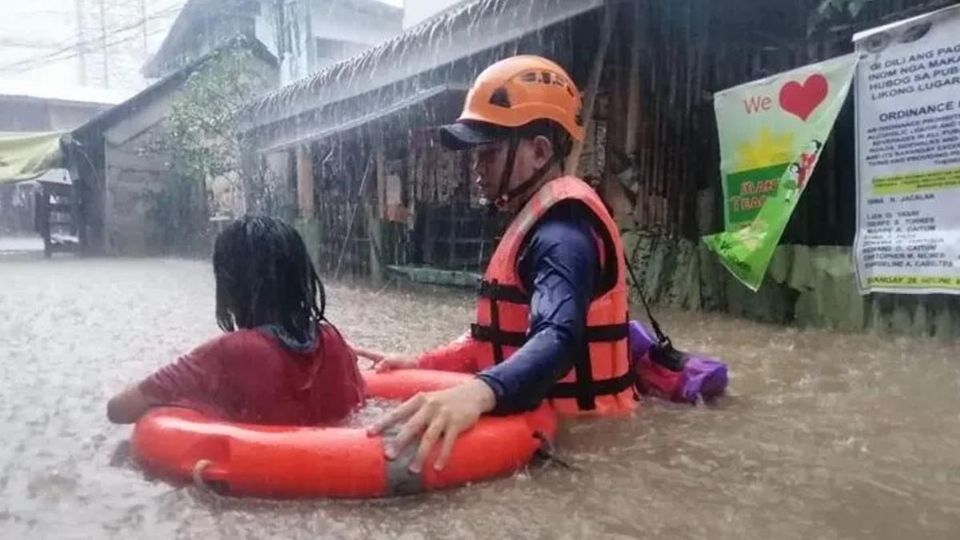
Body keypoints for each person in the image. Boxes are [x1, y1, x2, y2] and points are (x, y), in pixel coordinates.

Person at [365, 55, 634, 474]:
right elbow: (493, 340)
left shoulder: (562, 236)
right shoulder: (535, 223)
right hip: (552, 425)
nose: (476, 170)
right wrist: (421, 363)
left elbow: (558, 336)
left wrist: (478, 393)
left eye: (487, 155)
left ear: (540, 152)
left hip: (585, 443)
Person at [107, 216, 365, 426]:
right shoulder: (333, 341)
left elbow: (119, 410)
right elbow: (359, 403)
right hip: (337, 471)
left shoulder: (235, 351)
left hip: (261, 484)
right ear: (302, 278)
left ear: (230, 286)